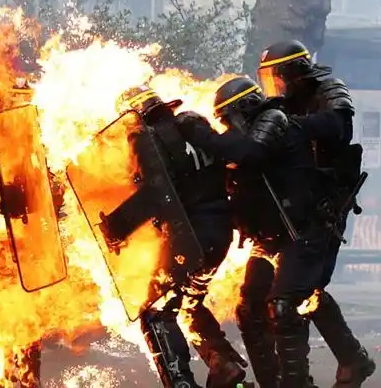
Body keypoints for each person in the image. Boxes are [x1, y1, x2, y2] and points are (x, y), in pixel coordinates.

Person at [176, 76, 329, 387]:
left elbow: (251, 152)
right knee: (249, 311)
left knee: (283, 307)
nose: (228, 129)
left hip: (297, 233)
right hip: (267, 239)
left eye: (229, 121)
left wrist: (201, 132)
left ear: (243, 108)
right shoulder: (242, 141)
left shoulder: (273, 120)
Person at [257, 40, 375, 387]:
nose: (274, 85)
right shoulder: (281, 105)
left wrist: (291, 127)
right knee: (308, 288)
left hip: (325, 207)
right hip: (295, 208)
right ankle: (353, 359)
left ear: (294, 73)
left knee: (289, 297)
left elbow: (336, 127)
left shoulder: (330, 90)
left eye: (277, 76)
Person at [115, 86, 248, 388]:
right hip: (220, 233)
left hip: (190, 237)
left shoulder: (145, 138)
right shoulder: (194, 124)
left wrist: (116, 228)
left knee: (155, 311)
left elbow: (156, 192)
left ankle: (180, 383)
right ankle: (223, 365)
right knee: (188, 304)